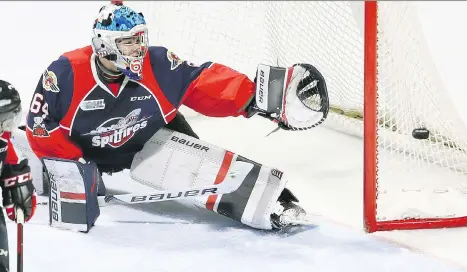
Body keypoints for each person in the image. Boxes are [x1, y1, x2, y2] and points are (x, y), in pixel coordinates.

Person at [26, 3, 328, 230]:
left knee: (199, 163)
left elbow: (198, 82)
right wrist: (77, 167)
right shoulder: (64, 73)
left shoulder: (157, 62)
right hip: (83, 152)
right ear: (104, 43)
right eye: (129, 41)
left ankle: (273, 202)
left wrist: (254, 98)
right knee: (38, 171)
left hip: (148, 140)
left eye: (141, 39)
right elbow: (39, 126)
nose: (138, 48)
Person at [0, 80, 37, 271]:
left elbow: (9, 157)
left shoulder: (2, 137)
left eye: (8, 119)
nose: (6, 127)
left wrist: (14, 177)